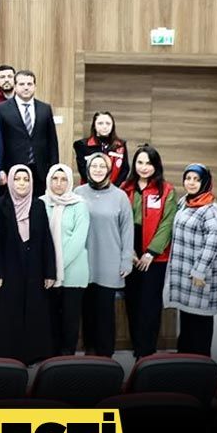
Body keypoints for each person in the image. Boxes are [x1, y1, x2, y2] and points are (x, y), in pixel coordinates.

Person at [0, 165, 57, 364]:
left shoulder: (38, 205)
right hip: (5, 270)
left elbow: (46, 239)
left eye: (26, 179)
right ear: (10, 181)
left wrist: (50, 272)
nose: (22, 183)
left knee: (32, 312)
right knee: (5, 313)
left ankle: (30, 354)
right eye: (17, 179)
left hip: (34, 269)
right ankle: (5, 356)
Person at [74, 152, 134, 357]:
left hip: (109, 263)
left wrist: (126, 260)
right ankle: (90, 353)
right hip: (84, 262)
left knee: (105, 314)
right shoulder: (78, 193)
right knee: (87, 312)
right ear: (88, 169)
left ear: (109, 170)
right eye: (94, 166)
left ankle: (105, 356)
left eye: (102, 166)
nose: (98, 170)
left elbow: (127, 230)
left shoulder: (120, 196)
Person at [122, 144, 177, 360]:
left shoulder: (167, 190)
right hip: (130, 249)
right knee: (132, 300)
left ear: (156, 166)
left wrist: (151, 252)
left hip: (155, 254)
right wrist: (128, 250)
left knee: (150, 303)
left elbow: (167, 223)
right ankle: (137, 345)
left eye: (149, 163)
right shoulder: (125, 188)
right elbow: (119, 221)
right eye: (140, 162)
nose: (144, 167)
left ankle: (147, 350)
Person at [165, 164, 217, 356]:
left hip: (199, 274)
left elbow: (212, 243)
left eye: (197, 179)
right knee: (187, 318)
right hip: (184, 270)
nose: (191, 183)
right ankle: (184, 359)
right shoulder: (185, 202)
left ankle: (201, 363)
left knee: (200, 320)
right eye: (188, 178)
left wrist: (200, 270)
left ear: (205, 182)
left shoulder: (211, 210)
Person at [41, 164, 90, 356]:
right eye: (55, 179)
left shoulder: (79, 204)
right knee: (50, 316)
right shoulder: (41, 203)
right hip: (47, 273)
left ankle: (67, 357)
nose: (59, 183)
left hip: (73, 272)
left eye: (63, 179)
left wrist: (55, 267)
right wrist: (48, 268)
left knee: (70, 318)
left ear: (69, 182)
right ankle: (51, 355)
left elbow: (78, 239)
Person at [0, 70, 60, 196]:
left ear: (35, 86)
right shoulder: (2, 109)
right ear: (15, 86)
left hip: (40, 171)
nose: (26, 87)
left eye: (29, 84)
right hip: (12, 170)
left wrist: (54, 169)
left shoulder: (45, 109)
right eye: (22, 84)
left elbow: (52, 142)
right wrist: (0, 169)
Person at [73, 111, 130, 186]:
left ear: (112, 126)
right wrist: (98, 186)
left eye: (108, 123)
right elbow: (82, 169)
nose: (104, 126)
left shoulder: (120, 145)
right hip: (90, 188)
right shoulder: (82, 145)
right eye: (100, 123)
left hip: (114, 188)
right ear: (94, 125)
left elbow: (125, 169)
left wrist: (113, 187)